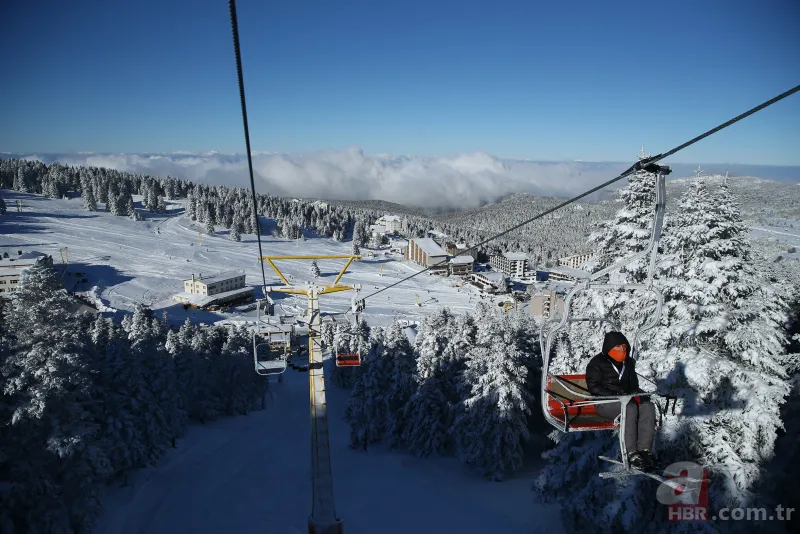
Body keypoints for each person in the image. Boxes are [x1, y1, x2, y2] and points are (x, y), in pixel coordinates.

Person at [586, 331, 656, 470]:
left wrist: (643, 396)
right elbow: (594, 387)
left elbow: (633, 386)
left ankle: (644, 450)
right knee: (629, 408)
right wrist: (616, 394)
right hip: (605, 403)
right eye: (618, 347)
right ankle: (631, 452)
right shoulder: (596, 364)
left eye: (624, 347)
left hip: (626, 400)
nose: (622, 350)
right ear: (609, 347)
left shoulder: (627, 363)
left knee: (648, 406)